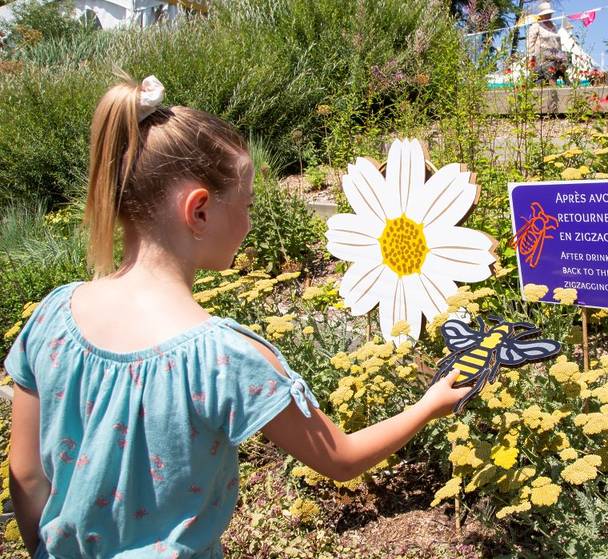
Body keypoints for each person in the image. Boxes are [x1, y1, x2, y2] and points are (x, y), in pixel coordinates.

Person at [4, 74, 473, 558]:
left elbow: (27, 474)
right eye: (245, 205)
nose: (248, 222)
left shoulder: (53, 317)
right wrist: (428, 405)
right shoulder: (223, 357)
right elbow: (341, 458)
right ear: (200, 211)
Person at [526, 1, 568, 85]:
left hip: (555, 55)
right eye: (546, 14)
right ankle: (552, 88)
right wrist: (531, 58)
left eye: (549, 14)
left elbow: (558, 43)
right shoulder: (536, 26)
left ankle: (566, 84)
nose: (549, 15)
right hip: (542, 56)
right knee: (544, 76)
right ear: (541, 15)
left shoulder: (554, 26)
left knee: (565, 61)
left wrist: (562, 56)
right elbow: (530, 44)